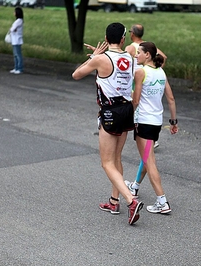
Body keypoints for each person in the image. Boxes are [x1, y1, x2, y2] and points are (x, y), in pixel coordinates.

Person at [72, 22, 144, 225]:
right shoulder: (130, 59)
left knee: (106, 162)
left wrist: (95, 57)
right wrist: (98, 57)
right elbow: (121, 70)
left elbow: (76, 75)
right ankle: (114, 201)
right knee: (117, 158)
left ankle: (131, 201)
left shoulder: (101, 59)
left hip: (110, 111)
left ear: (106, 38)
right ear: (123, 39)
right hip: (127, 109)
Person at [125, 42, 178, 214]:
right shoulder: (161, 72)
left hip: (144, 122)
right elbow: (171, 98)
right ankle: (135, 186)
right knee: (147, 157)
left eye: (139, 52)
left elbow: (136, 100)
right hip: (155, 123)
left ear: (147, 55)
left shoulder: (141, 72)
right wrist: (173, 121)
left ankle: (162, 201)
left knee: (150, 161)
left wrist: (126, 117)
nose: (136, 55)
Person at [125, 24, 168, 149]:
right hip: (149, 79)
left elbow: (119, 59)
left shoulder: (132, 47)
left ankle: (145, 137)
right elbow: (163, 57)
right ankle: (151, 140)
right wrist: (157, 70)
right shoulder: (147, 45)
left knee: (137, 105)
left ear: (132, 33)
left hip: (137, 81)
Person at [9, 7, 24, 75]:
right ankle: (16, 67)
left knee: (18, 54)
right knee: (15, 55)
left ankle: (19, 68)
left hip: (17, 40)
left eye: (15, 12)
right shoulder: (18, 21)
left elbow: (12, 29)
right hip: (14, 40)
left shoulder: (19, 21)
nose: (14, 13)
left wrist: (12, 29)